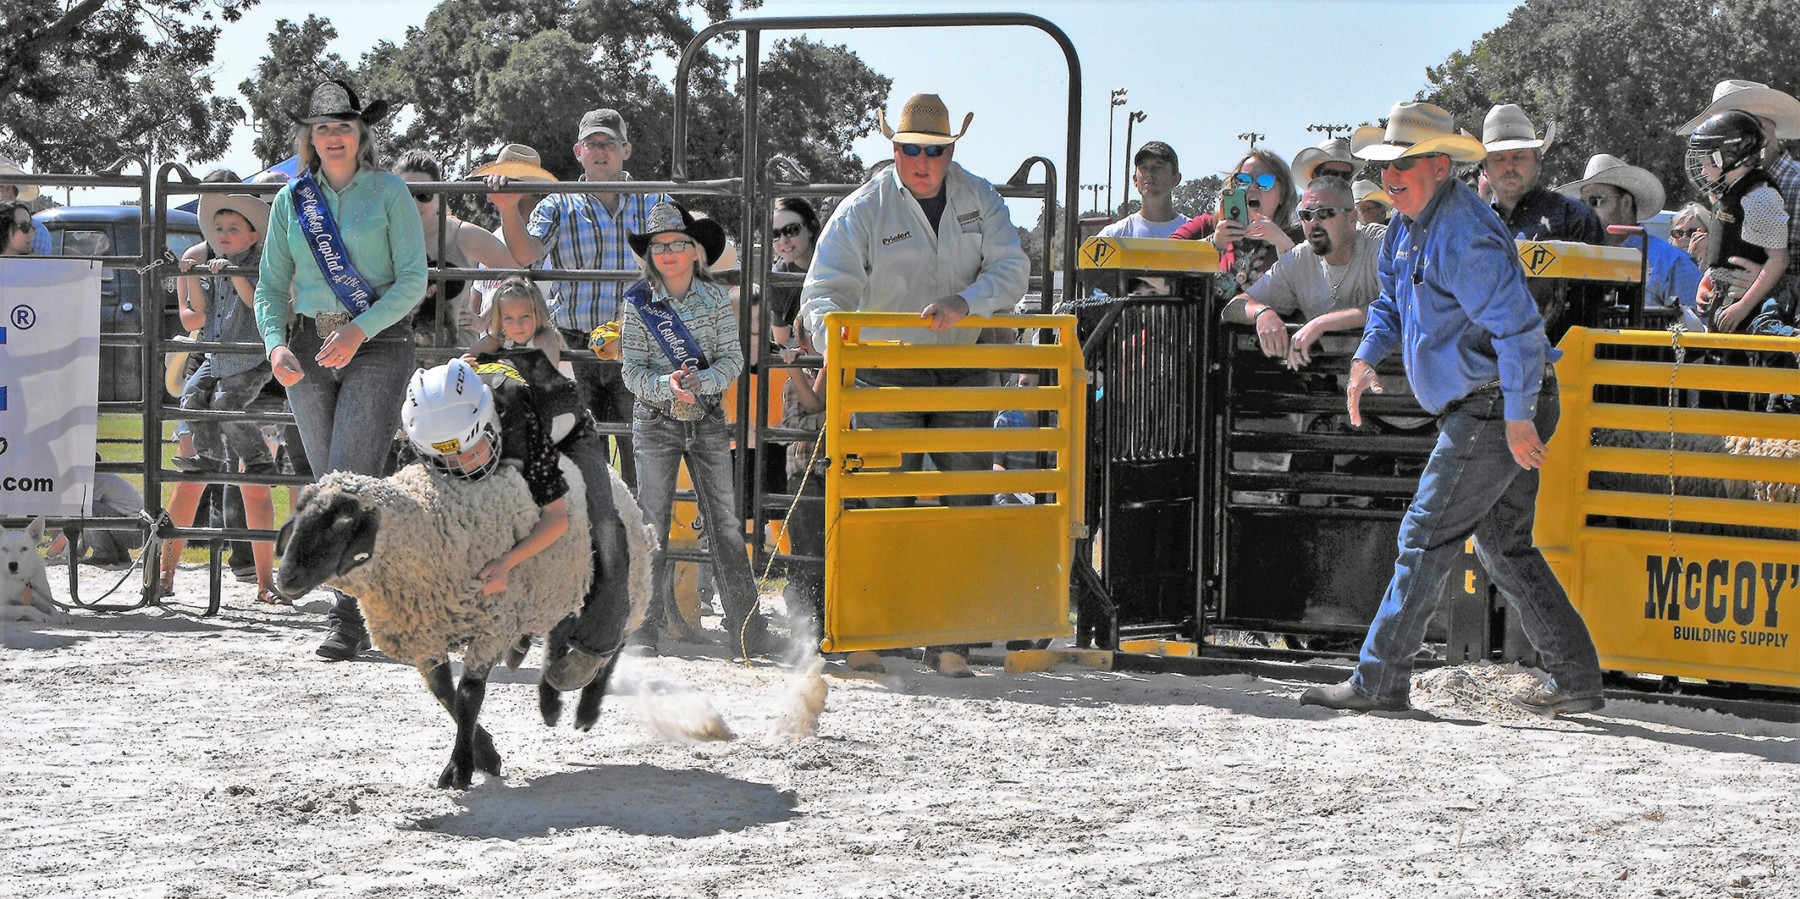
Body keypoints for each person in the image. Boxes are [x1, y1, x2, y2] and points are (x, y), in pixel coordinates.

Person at [1299, 101, 1604, 716]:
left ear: (1440, 166)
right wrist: (1366, 357)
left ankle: (1380, 679)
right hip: (1499, 402)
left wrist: (1518, 418)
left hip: (1494, 406)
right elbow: (1389, 302)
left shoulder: (1461, 232)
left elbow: (1519, 330)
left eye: (1403, 164)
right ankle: (1577, 678)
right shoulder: (1413, 225)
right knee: (1505, 545)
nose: (1390, 177)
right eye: (1386, 165)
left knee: (1423, 536)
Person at [800, 92, 1030, 677]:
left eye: (933, 150)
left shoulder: (980, 195)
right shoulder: (862, 209)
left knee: (968, 499)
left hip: (964, 368)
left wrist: (968, 302)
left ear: (951, 151)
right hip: (885, 371)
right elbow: (822, 294)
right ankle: (872, 633)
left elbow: (1013, 268)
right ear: (894, 150)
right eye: (910, 150)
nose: (922, 161)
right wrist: (838, 346)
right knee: (881, 500)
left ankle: (950, 640)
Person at [252, 79, 427, 660]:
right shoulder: (289, 200)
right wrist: (275, 343)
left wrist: (358, 330)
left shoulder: (389, 192)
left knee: (345, 481)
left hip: (376, 342)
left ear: (361, 135)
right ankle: (376, 593)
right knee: (328, 483)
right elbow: (271, 286)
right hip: (307, 345)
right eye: (322, 128)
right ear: (310, 136)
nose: (333, 136)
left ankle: (346, 615)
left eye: (343, 127)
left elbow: (412, 282)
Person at [404, 351, 636, 692]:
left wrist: (506, 563)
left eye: (470, 451)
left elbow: (555, 520)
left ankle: (596, 643)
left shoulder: (520, 422)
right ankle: (514, 623)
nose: (461, 466)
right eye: (446, 457)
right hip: (508, 433)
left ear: (488, 423)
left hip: (564, 433)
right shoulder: (427, 431)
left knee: (604, 527)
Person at [486, 109, 673, 488]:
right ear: (578, 151)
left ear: (626, 150)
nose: (600, 151)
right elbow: (526, 255)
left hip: (637, 343)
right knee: (581, 451)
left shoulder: (657, 200)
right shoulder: (558, 203)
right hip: (574, 346)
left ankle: (643, 537)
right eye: (592, 144)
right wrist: (508, 209)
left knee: (642, 450)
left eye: (609, 143)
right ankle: (594, 538)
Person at [619, 200, 772, 659]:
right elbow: (631, 371)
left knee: (725, 521)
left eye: (677, 244)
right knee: (652, 520)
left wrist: (700, 383)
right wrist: (666, 386)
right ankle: (643, 627)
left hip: (705, 418)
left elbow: (733, 360)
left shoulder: (716, 301)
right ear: (650, 255)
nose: (667, 253)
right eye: (658, 246)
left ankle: (746, 628)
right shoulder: (638, 304)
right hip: (655, 418)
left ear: (694, 252)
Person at [163, 189, 282, 605]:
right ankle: (164, 573)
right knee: (192, 475)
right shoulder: (204, 257)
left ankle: (265, 579)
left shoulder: (263, 260)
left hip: (247, 366)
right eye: (218, 226)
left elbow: (260, 306)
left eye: (233, 226)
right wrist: (191, 275)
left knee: (251, 483)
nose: (224, 233)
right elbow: (194, 316)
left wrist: (229, 272)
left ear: (252, 233)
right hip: (214, 360)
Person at [1221, 176, 1382, 369]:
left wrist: (1321, 323)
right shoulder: (1300, 258)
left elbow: (1395, 306)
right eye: (1306, 215)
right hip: (1335, 386)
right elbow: (1233, 308)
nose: (1313, 223)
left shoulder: (1378, 242)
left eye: (1324, 213)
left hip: (1394, 388)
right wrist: (1262, 313)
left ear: (1352, 217)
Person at [1678, 81, 1800, 322]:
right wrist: (1711, 279)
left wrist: (1775, 284)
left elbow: (1777, 262)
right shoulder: (1731, 189)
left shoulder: (1794, 186)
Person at [1556, 154, 1704, 328]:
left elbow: (1697, 335)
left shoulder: (1674, 263)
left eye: (1595, 201)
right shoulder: (1574, 259)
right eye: (1582, 204)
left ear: (1626, 203)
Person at [392, 150, 516, 348]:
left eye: (424, 194)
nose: (414, 202)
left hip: (455, 363)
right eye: (406, 193)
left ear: (440, 196)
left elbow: (518, 275)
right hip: (398, 359)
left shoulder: (464, 235)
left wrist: (484, 319)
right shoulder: (382, 236)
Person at [1170, 148, 1301, 295]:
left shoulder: (1297, 237)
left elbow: (1312, 290)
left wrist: (1282, 244)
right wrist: (1213, 244)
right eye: (1243, 180)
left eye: (1265, 181)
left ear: (1283, 195)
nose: (1252, 188)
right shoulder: (1207, 226)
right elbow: (1163, 259)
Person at [1480, 104, 1603, 244]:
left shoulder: (1575, 218)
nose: (1509, 166)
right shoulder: (1473, 227)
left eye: (1519, 156)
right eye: (1499, 158)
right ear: (1485, 168)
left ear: (1537, 161)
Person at [467, 276, 571, 375]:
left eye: (525, 316)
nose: (517, 325)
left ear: (537, 314)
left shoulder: (544, 336)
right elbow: (466, 359)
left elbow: (547, 376)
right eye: (508, 318)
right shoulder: (501, 336)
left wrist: (508, 371)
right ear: (499, 319)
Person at [1099, 141, 1189, 239]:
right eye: (1144, 168)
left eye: (1158, 167)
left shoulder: (1197, 236)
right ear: (1135, 180)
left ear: (1176, 179)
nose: (1149, 173)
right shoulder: (1113, 236)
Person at [768, 196, 823, 355]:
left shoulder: (838, 261)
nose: (783, 241)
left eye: (791, 230)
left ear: (811, 228)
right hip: (810, 362)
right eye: (775, 234)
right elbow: (782, 345)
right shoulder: (777, 278)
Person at [0, 155, 51, 254]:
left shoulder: (38, 231)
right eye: (1, 186)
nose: (4, 193)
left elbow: (38, 267)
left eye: (11, 188)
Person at [1669, 202, 1717, 271]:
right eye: (1678, 233)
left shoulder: (1718, 266)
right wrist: (1691, 258)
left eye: (1692, 233)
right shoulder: (1663, 266)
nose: (1684, 237)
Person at [1291, 137, 1358, 184]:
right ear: (1314, 177)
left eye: (1346, 176)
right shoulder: (1303, 204)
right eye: (1332, 174)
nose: (1339, 180)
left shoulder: (1352, 204)